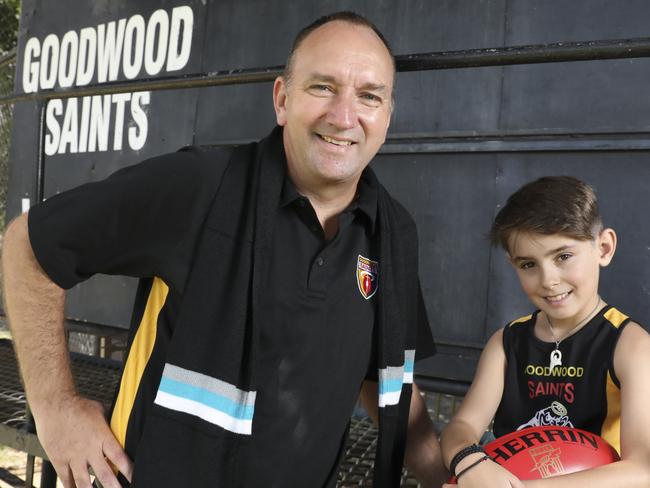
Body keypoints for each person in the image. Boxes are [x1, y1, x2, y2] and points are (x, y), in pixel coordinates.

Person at [2, 11, 448, 488]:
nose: (343, 116)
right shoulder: (202, 186)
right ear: (282, 99)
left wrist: (449, 477)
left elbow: (386, 383)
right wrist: (55, 409)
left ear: (387, 116)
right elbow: (27, 246)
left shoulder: (393, 233)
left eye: (369, 96)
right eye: (322, 87)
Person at [440, 176, 650, 487]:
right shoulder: (506, 342)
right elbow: (462, 427)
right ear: (513, 265)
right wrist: (469, 462)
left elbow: (642, 470)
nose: (548, 280)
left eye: (563, 257)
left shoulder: (631, 345)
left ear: (603, 248)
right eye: (528, 265)